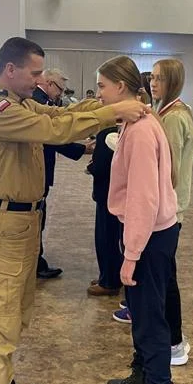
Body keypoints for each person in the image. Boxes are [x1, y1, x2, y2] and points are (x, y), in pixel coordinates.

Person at [0, 37, 148, 384]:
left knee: (15, 316)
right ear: (9, 70)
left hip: (23, 223)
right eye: (34, 73)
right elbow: (54, 129)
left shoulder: (20, 102)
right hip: (4, 224)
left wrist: (98, 107)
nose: (38, 80)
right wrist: (113, 111)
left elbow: (60, 113)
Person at [98, 55, 179, 384]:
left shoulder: (143, 130)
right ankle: (142, 374)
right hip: (145, 232)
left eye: (102, 86)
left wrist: (131, 255)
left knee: (149, 317)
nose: (99, 93)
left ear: (120, 87)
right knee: (141, 310)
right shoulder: (134, 123)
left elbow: (144, 199)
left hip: (149, 236)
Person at [112, 60, 193, 368]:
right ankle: (172, 339)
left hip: (165, 210)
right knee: (165, 278)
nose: (154, 83)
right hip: (168, 207)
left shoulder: (172, 118)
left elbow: (166, 171)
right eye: (153, 78)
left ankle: (172, 342)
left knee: (164, 282)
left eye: (161, 79)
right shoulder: (168, 112)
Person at [32, 68, 90, 279]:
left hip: (41, 167)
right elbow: (52, 136)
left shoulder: (45, 101)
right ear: (49, 83)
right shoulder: (38, 101)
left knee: (39, 214)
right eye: (60, 88)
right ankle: (36, 261)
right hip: (36, 169)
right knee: (37, 215)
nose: (61, 93)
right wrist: (82, 148)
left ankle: (36, 259)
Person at [86, 125, 123, 296]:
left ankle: (109, 281)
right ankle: (111, 276)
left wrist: (90, 168)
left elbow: (100, 166)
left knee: (106, 238)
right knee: (114, 237)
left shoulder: (107, 134)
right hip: (118, 193)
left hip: (107, 194)